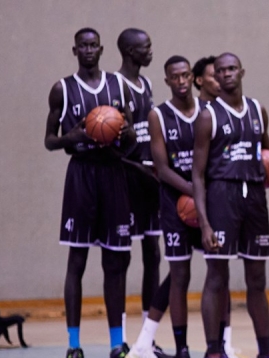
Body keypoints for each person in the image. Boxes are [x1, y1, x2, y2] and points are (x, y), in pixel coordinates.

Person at [45, 27, 137, 358]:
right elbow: (49, 141)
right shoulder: (62, 89)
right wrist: (75, 135)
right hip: (81, 174)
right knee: (77, 261)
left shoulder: (117, 85)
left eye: (93, 45)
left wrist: (124, 134)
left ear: (100, 49)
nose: (88, 50)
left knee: (115, 262)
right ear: (75, 50)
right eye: (82, 45)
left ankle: (118, 344)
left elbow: (131, 143)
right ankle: (74, 344)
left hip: (113, 174)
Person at [191, 52, 269, 358]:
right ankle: (213, 351)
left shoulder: (258, 110)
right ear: (215, 77)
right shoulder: (208, 116)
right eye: (221, 71)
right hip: (222, 195)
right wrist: (204, 223)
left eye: (232, 68)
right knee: (217, 276)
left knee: (257, 278)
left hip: (255, 197)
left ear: (242, 71)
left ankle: (266, 352)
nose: (227, 74)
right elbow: (197, 173)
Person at [125, 55, 201, 358]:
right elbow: (161, 167)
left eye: (185, 75)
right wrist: (194, 192)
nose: (181, 81)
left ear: (192, 76)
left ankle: (218, 346)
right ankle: (181, 350)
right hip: (174, 204)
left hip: (205, 204)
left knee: (218, 274)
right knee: (179, 273)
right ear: (167, 80)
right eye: (175, 77)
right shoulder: (158, 116)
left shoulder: (206, 113)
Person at [115, 29, 163, 330]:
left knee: (152, 254)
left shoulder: (145, 82)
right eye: (146, 47)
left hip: (150, 179)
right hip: (126, 179)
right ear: (131, 51)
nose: (150, 51)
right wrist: (138, 168)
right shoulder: (114, 86)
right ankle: (118, 336)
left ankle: (149, 334)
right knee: (120, 260)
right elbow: (110, 145)